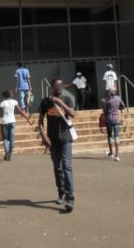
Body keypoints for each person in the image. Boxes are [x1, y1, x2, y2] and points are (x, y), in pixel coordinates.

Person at [38, 78, 76, 213]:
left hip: (66, 138)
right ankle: (61, 193)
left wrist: (60, 103)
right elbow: (40, 121)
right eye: (56, 86)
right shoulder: (45, 102)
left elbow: (72, 114)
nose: (59, 88)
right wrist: (43, 135)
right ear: (52, 88)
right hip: (52, 139)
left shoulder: (67, 99)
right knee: (57, 167)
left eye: (61, 86)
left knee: (67, 166)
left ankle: (70, 199)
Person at [0, 90, 32, 161]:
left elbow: (1, 114)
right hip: (12, 121)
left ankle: (7, 152)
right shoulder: (14, 102)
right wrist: (27, 118)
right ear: (10, 95)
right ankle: (10, 154)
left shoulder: (2, 103)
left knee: (5, 139)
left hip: (4, 121)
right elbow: (20, 111)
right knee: (12, 139)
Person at [101, 90, 125, 161]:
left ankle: (111, 152)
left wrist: (104, 103)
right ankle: (117, 156)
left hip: (109, 120)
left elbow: (105, 111)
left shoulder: (108, 101)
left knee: (110, 136)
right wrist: (118, 109)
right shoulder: (118, 98)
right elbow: (123, 106)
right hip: (116, 119)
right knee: (116, 136)